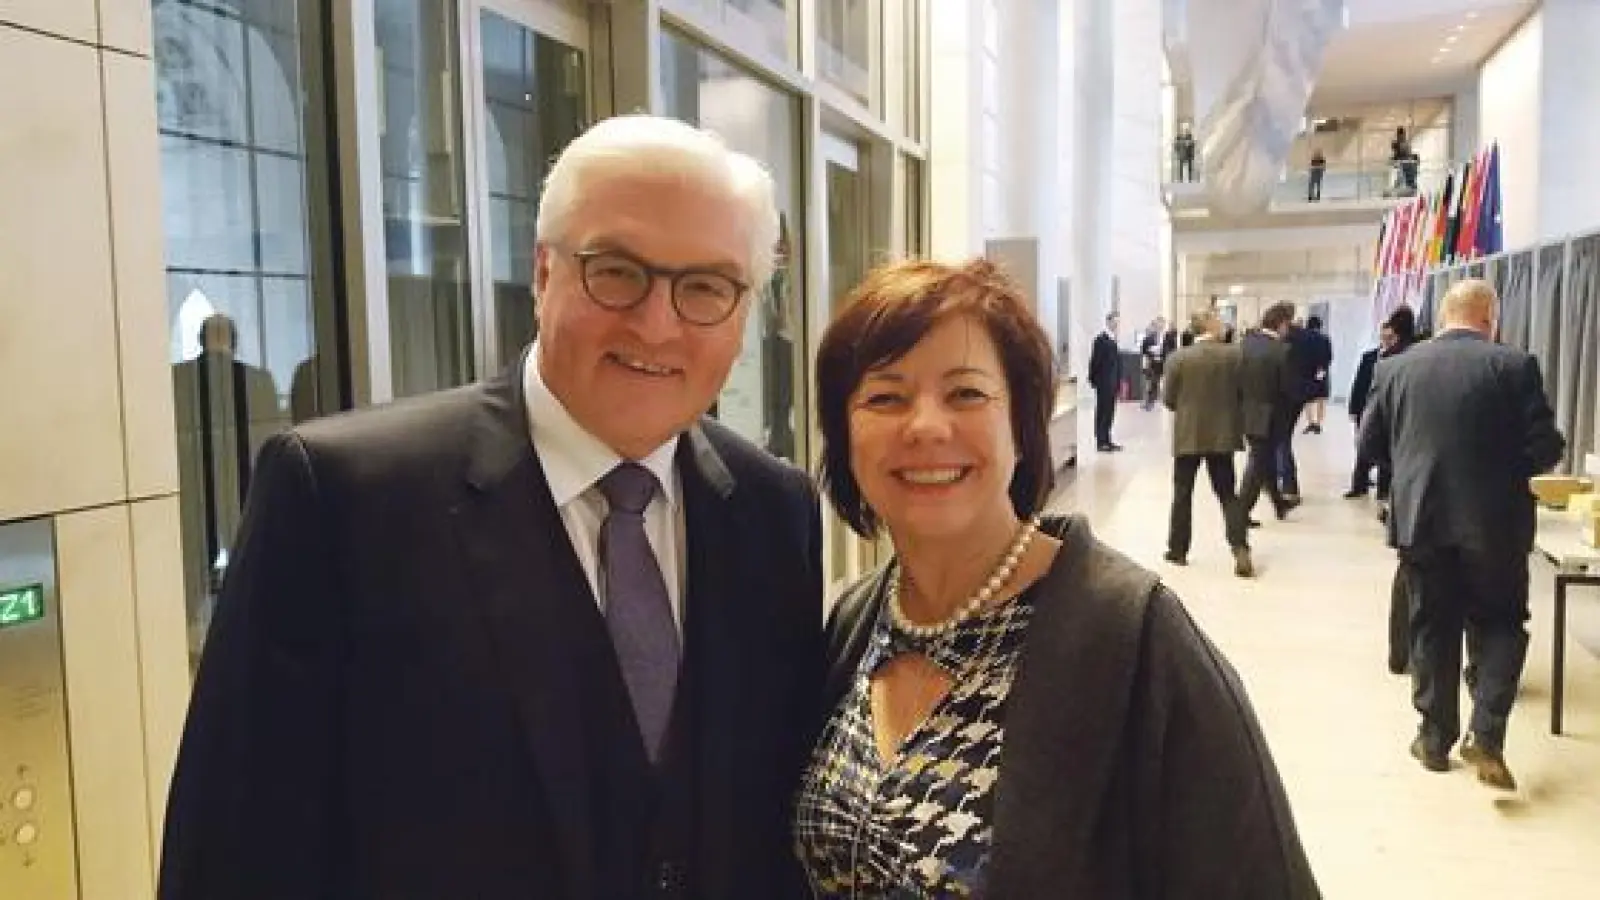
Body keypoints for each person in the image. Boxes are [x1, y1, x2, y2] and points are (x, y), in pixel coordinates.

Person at [158, 115, 823, 900]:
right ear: (544, 273)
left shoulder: (774, 514)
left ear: (744, 314)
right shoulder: (346, 499)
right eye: (616, 271)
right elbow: (235, 849)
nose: (655, 323)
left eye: (705, 287)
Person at [796, 257, 1319, 897]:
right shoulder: (857, 623)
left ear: (1020, 424)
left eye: (966, 393)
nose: (926, 425)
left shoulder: (1134, 638)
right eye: (885, 397)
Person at [1359, 279, 1564, 791]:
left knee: (1431, 623)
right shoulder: (1514, 366)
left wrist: (1411, 477)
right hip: (1495, 523)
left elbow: (1371, 444)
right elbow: (1544, 448)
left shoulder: (1395, 367)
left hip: (1421, 519)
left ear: (1446, 314)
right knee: (1501, 622)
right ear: (1489, 315)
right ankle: (1487, 734)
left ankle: (1433, 739)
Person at [1161, 308, 1253, 577]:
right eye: (1219, 321)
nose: (1223, 325)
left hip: (1188, 434)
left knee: (1182, 492)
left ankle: (1177, 550)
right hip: (1223, 435)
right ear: (1210, 327)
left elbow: (1169, 400)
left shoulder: (1178, 359)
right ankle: (1240, 548)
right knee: (1227, 493)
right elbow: (1243, 392)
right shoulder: (1235, 355)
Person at [1237, 303, 1302, 524]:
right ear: (1282, 324)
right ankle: (1241, 511)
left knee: (1264, 461)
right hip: (1272, 415)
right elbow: (1287, 388)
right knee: (1258, 464)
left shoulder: (1245, 345)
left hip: (1247, 412)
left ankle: (1278, 502)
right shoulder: (1281, 351)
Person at [1344, 322, 1396, 498]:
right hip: (1367, 410)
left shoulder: (1398, 358)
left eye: (1390, 338)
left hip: (1388, 411)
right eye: (1384, 337)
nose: (1387, 341)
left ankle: (1384, 490)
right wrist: (1354, 408)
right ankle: (1359, 485)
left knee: (1386, 452)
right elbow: (1359, 384)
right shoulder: (1369, 358)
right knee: (1363, 448)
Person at [1088, 311, 1123, 451]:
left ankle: (1107, 439)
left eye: (1118, 322)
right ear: (1108, 322)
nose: (1116, 324)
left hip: (1113, 382)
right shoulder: (1101, 340)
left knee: (1110, 412)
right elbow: (1095, 361)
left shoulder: (1113, 339)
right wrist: (1094, 379)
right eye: (1114, 321)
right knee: (1102, 411)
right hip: (1104, 383)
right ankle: (1101, 441)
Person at [1299, 315, 1333, 435]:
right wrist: (1322, 369)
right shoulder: (1325, 339)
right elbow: (1329, 356)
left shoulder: (1303, 338)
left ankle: (1310, 422)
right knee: (1321, 399)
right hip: (1321, 372)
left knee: (1307, 400)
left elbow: (1300, 356)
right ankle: (1318, 424)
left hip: (1306, 373)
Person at [1138, 316, 1177, 410]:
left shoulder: (1169, 337)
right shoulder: (1149, 337)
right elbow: (1143, 349)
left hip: (1165, 362)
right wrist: (1150, 351)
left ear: (1164, 325)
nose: (1159, 326)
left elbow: (1173, 349)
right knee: (1153, 382)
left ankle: (1169, 400)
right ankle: (1150, 402)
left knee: (1168, 382)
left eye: (1161, 323)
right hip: (1153, 362)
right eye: (1158, 324)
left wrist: (1164, 351)